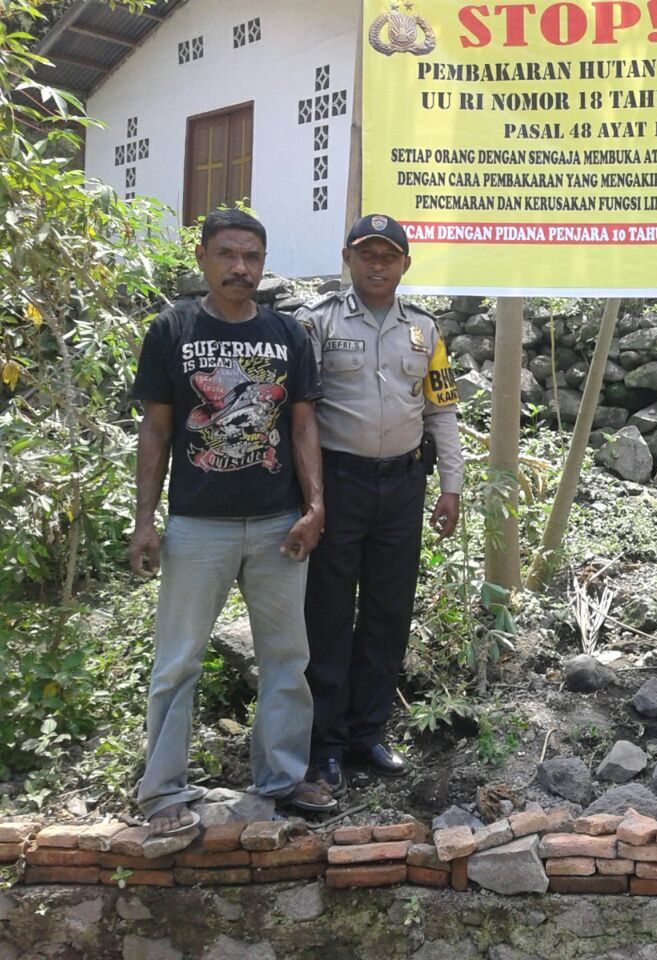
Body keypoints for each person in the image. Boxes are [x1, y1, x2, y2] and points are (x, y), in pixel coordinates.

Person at [129, 208, 336, 833]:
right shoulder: (172, 329)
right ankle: (162, 791)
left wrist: (315, 505)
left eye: (250, 255)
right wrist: (145, 520)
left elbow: (303, 424)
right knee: (177, 659)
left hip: (278, 524)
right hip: (197, 526)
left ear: (263, 263)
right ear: (203, 258)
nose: (239, 267)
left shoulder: (288, 335)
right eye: (226, 254)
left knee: (286, 656)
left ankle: (280, 777)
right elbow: (157, 429)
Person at [296, 214, 463, 794]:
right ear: (348, 258)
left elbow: (441, 410)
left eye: (388, 255)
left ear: (404, 265)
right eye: (366, 253)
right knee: (329, 613)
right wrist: (310, 495)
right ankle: (326, 745)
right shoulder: (315, 323)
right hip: (339, 485)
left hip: (402, 487)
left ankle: (368, 734)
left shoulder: (425, 329)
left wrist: (451, 485)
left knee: (389, 612)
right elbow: (301, 415)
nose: (377, 263)